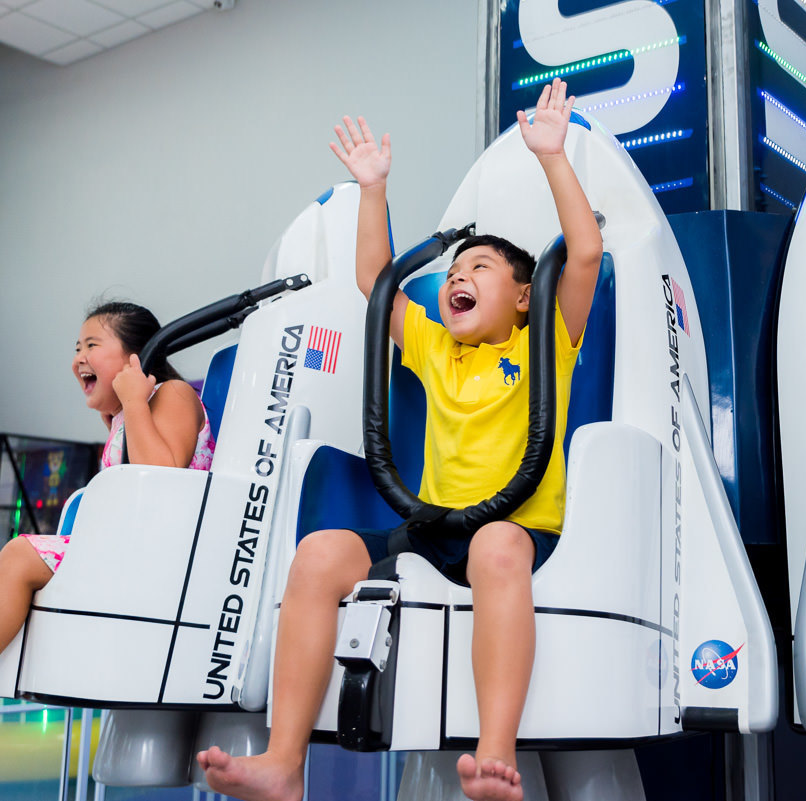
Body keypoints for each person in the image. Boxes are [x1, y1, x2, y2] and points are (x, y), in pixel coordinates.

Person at [198, 78, 602, 801]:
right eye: (454, 270)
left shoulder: (547, 340)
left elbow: (586, 255)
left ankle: (495, 756)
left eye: (480, 267)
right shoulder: (435, 347)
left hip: (511, 529)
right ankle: (284, 762)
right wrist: (373, 189)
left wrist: (552, 156)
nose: (458, 276)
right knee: (319, 553)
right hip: (432, 528)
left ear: (522, 296)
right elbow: (372, 280)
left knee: (496, 546)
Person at [0, 301, 214, 657]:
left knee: (21, 555)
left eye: (92, 345)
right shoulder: (125, 416)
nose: (78, 359)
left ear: (136, 356)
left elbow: (160, 480)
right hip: (130, 549)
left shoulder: (173, 393)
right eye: (77, 348)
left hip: (164, 554)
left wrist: (133, 403)